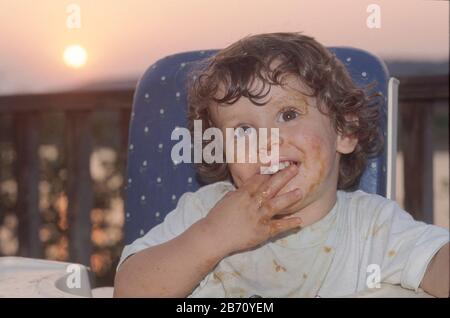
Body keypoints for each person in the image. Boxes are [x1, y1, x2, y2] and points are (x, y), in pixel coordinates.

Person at [114, 33, 449, 298]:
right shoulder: (204, 212)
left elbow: (436, 265)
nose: (267, 141)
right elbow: (130, 290)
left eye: (288, 115)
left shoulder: (372, 227)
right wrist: (212, 238)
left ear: (344, 131)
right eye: (243, 130)